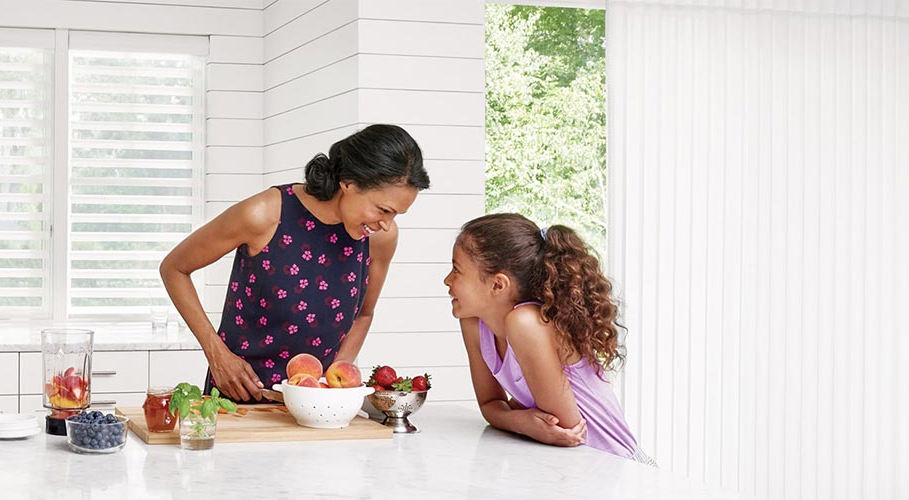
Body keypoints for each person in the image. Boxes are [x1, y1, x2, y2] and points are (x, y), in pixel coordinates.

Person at [159, 124, 429, 402]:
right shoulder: (264, 214)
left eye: (396, 214)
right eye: (383, 210)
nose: (386, 223)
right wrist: (216, 353)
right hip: (239, 397)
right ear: (349, 182)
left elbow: (364, 314)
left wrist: (333, 381)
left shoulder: (379, 238)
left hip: (318, 405)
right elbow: (174, 268)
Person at [445, 213, 652, 463]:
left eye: (457, 270)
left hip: (619, 468)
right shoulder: (474, 322)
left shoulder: (526, 323)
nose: (447, 280)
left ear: (498, 285)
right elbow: (490, 404)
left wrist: (517, 417)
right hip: (573, 470)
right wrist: (521, 421)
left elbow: (566, 431)